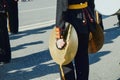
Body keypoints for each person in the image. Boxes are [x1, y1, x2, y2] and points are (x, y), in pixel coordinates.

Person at [55, 0, 100, 80]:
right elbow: (91, 3)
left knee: (65, 59)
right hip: (85, 18)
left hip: (70, 21)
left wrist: (59, 34)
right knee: (82, 57)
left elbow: (62, 5)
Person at [0, 0, 11, 65]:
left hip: (2, 9)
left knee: (2, 34)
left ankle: (3, 57)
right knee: (4, 33)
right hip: (3, 9)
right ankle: (6, 56)